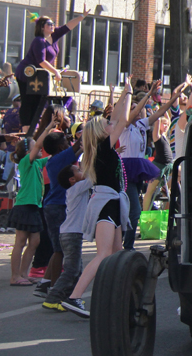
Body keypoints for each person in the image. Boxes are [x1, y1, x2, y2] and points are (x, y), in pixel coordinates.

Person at [63, 77, 135, 318]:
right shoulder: (104, 147)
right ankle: (74, 296)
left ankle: (113, 299)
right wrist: (128, 93)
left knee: (116, 253)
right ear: (102, 131)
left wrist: (125, 93)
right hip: (105, 204)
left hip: (112, 204)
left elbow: (117, 118)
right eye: (106, 123)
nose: (110, 124)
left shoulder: (104, 147)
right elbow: (122, 119)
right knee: (105, 254)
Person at [119, 81, 185, 250]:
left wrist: (173, 99)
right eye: (135, 107)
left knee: (130, 207)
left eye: (141, 107)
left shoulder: (142, 125)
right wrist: (147, 95)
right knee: (133, 210)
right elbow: (130, 114)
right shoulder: (125, 127)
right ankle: (127, 246)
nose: (140, 109)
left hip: (138, 169)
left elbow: (161, 112)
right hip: (126, 170)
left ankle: (122, 241)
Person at [14, 9, 90, 132]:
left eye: (53, 23)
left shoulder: (53, 36)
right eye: (49, 24)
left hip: (39, 75)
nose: (53, 26)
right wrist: (54, 71)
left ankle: (33, 128)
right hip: (27, 73)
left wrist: (82, 16)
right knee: (28, 101)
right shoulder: (38, 41)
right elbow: (41, 61)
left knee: (38, 101)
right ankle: (26, 129)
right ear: (42, 27)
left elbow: (68, 27)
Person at [7, 115, 60, 285]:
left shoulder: (37, 164)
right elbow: (38, 144)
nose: (38, 149)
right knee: (20, 242)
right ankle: (15, 276)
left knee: (35, 241)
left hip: (35, 206)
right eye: (34, 147)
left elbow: (54, 157)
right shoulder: (26, 162)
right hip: (24, 206)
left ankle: (23, 273)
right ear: (28, 151)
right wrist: (48, 127)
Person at [33, 129, 81, 299]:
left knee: (57, 249)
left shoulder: (57, 159)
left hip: (55, 206)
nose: (69, 143)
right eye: (66, 141)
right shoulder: (60, 158)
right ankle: (54, 289)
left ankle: (45, 284)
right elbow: (80, 146)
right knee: (59, 250)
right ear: (60, 146)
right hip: (56, 207)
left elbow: (80, 149)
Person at [42, 163, 91, 312]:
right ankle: (53, 298)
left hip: (70, 234)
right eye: (78, 170)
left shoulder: (76, 188)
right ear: (72, 179)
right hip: (72, 234)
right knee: (71, 270)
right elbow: (93, 177)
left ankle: (67, 299)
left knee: (77, 270)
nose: (81, 170)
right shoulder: (77, 188)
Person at [142, 112, 173, 212]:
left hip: (168, 165)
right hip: (158, 166)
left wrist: (165, 112)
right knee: (150, 191)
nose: (166, 126)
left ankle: (168, 189)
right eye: (164, 124)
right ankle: (145, 213)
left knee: (182, 172)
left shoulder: (165, 136)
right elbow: (157, 124)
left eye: (167, 125)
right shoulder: (157, 136)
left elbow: (170, 121)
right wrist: (158, 116)